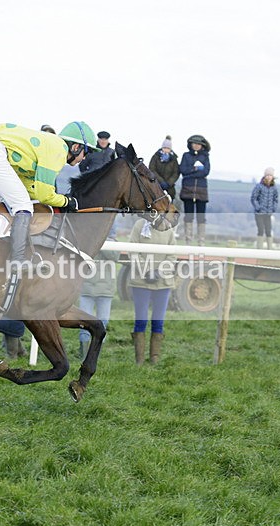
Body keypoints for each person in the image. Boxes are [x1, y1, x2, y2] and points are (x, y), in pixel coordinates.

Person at [0, 121, 95, 271]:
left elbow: (30, 188)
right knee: (23, 206)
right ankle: (17, 261)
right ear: (76, 147)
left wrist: (58, 200)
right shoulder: (59, 150)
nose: (85, 158)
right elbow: (44, 195)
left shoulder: (48, 146)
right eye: (87, 152)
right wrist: (66, 201)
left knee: (7, 203)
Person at [128, 217, 177, 365]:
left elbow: (173, 254)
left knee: (158, 321)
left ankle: (155, 358)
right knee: (140, 320)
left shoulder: (168, 228)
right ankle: (140, 360)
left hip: (162, 282)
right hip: (141, 281)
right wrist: (147, 270)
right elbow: (133, 251)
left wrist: (159, 272)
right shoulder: (139, 225)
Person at [76, 223, 120, 360]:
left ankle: (95, 355)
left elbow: (114, 256)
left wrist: (103, 239)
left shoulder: (113, 243)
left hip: (105, 290)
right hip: (87, 288)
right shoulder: (87, 241)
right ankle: (84, 355)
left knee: (103, 323)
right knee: (84, 323)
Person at [178, 134, 211, 245]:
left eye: (199, 144)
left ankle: (201, 242)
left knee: (201, 217)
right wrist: (195, 169)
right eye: (194, 143)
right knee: (188, 217)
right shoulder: (186, 156)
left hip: (201, 191)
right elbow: (183, 170)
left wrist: (191, 171)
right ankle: (188, 241)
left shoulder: (205, 157)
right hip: (188, 190)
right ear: (190, 144)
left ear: (202, 146)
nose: (196, 146)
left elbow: (206, 171)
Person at [250, 167, 278, 249]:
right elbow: (253, 198)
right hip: (259, 213)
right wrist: (258, 207)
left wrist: (274, 208)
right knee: (261, 230)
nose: (269, 177)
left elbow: (276, 199)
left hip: (268, 213)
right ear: (265, 176)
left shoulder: (274, 188)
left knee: (269, 231)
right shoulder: (259, 186)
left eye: (270, 175)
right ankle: (259, 249)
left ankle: (270, 250)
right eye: (267, 175)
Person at [148, 135, 179, 201]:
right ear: (162, 147)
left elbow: (176, 172)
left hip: (170, 188)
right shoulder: (156, 157)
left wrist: (169, 183)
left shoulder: (174, 159)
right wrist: (161, 181)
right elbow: (152, 169)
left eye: (168, 148)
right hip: (157, 186)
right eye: (164, 148)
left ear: (170, 149)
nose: (166, 150)